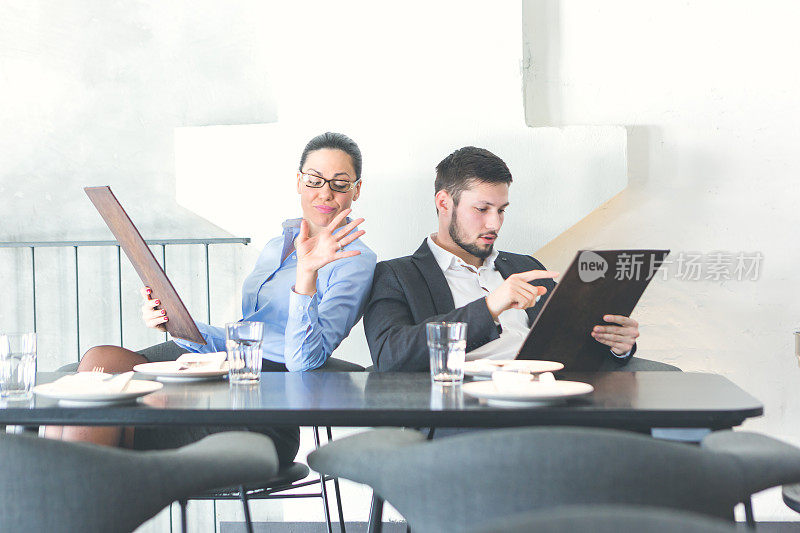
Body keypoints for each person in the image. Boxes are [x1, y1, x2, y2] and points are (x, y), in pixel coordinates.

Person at [46, 132, 377, 465]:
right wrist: (174, 321)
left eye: (339, 183)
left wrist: (307, 276)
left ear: (356, 189)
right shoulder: (279, 245)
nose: (325, 194)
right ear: (299, 182)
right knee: (95, 367)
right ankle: (74, 502)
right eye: (315, 180)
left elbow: (303, 362)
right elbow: (243, 332)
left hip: (263, 390)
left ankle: (75, 506)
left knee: (88, 407)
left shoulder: (357, 260)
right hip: (224, 363)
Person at [364, 146, 639, 372]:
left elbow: (565, 345)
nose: (494, 224)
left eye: (501, 210)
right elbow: (391, 355)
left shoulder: (525, 267)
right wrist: (490, 306)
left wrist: (615, 346)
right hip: (471, 409)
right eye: (482, 209)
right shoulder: (396, 276)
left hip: (550, 397)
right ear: (444, 202)